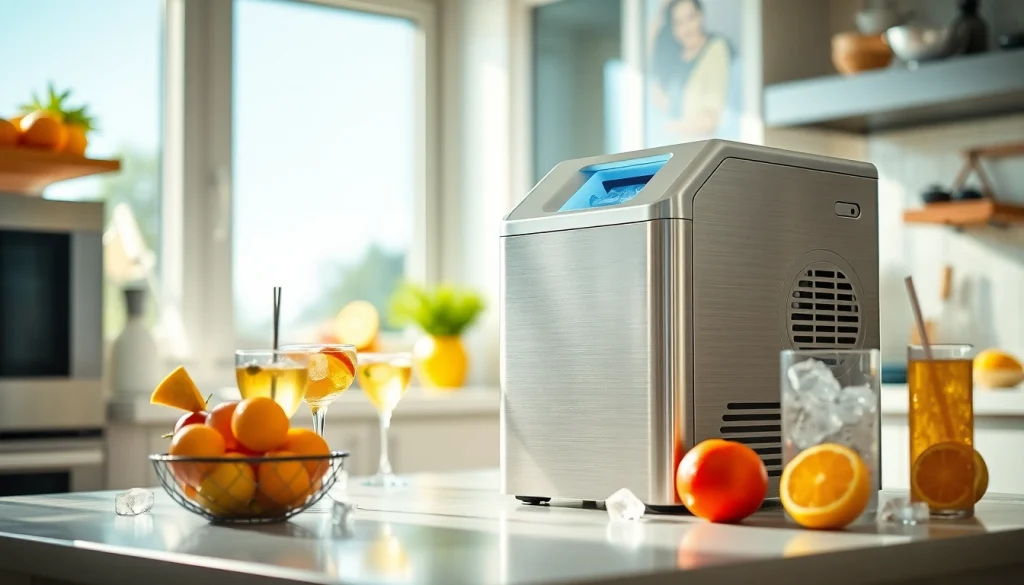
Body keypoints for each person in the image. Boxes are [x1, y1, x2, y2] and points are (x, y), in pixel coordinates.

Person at [649, 0, 733, 141]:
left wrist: (674, 128)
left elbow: (711, 120)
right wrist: (662, 9)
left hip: (699, 147)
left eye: (690, 18)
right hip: (678, 147)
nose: (686, 28)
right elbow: (651, 45)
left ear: (700, 16)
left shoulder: (715, 48)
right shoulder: (675, 58)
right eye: (679, 23)